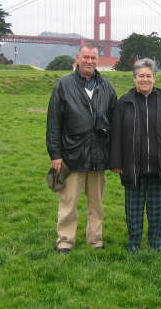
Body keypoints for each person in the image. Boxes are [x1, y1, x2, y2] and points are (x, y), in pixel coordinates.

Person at [46, 44, 117, 254]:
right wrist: (55, 154)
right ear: (78, 58)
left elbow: (116, 122)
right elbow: (54, 122)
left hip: (98, 155)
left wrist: (114, 154)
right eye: (85, 57)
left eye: (93, 58)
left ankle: (95, 239)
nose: (89, 61)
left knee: (97, 204)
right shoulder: (64, 84)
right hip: (72, 154)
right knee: (68, 202)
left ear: (97, 60)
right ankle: (65, 240)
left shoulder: (107, 86)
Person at [110, 58, 161, 253]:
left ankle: (157, 243)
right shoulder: (124, 102)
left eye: (148, 76)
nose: (145, 79)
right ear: (134, 78)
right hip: (132, 167)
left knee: (158, 210)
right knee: (133, 210)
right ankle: (134, 243)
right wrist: (116, 162)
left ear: (154, 78)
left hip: (160, 168)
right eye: (141, 76)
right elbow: (116, 135)